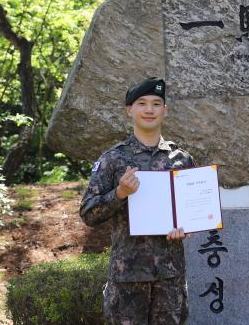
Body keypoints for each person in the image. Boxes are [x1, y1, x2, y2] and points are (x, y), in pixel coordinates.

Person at [80, 77, 194, 325]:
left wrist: (186, 229)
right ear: (129, 110)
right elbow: (89, 213)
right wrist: (119, 194)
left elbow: (190, 213)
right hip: (127, 278)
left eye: (156, 103)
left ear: (165, 110)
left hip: (170, 278)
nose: (149, 109)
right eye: (141, 103)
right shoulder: (113, 159)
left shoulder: (182, 160)